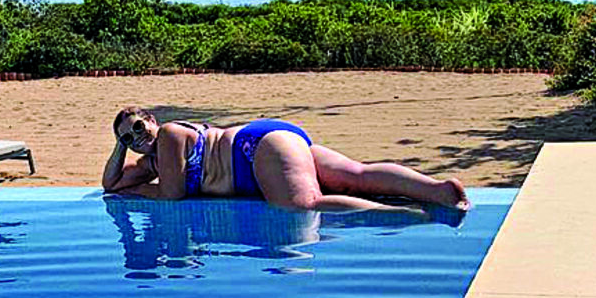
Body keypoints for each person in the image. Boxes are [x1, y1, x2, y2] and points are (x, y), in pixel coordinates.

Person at [102, 106, 470, 214]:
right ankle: (437, 190)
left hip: (252, 152)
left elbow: (171, 195)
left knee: (303, 204)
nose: (138, 137)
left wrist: (141, 193)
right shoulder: (153, 162)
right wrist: (119, 147)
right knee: (354, 174)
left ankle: (405, 214)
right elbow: (111, 184)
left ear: (152, 119)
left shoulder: (168, 135)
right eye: (129, 138)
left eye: (138, 126)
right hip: (272, 141)